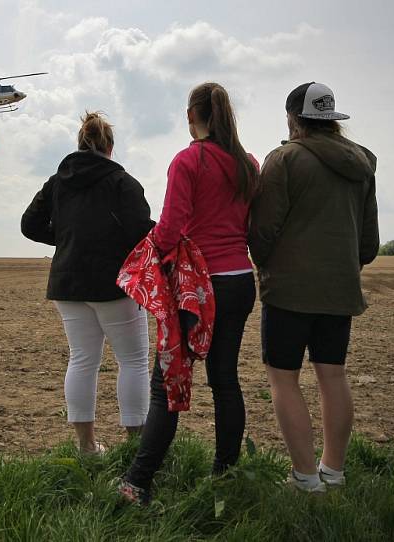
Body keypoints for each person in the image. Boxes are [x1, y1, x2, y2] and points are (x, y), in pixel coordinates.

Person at [119, 82, 259, 504]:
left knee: (167, 386)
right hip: (240, 281)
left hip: (198, 289)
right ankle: (225, 477)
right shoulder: (247, 163)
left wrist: (150, 252)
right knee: (226, 382)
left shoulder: (188, 160)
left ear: (190, 117)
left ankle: (137, 483)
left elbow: (170, 227)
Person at [248, 82, 379, 493]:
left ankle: (305, 477)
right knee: (332, 375)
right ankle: (333, 472)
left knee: (283, 379)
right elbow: (369, 243)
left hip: (289, 291)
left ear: (293, 119)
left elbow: (263, 232)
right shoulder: (363, 164)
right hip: (339, 291)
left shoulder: (285, 159)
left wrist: (265, 263)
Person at [21, 111, 155, 454]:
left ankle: (86, 446)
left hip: (68, 282)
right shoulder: (123, 183)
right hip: (114, 285)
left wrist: (67, 240)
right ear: (109, 147)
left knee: (82, 359)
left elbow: (29, 225)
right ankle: (134, 448)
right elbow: (143, 231)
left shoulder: (57, 181)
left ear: (81, 145)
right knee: (133, 361)